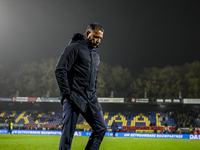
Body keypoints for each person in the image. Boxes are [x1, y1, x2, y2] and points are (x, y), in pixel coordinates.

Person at [55, 23, 107, 150]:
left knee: (101, 129)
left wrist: (93, 91)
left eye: (100, 38)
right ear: (88, 33)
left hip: (90, 98)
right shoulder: (73, 48)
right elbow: (60, 70)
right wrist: (67, 94)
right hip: (73, 97)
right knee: (67, 136)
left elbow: (94, 78)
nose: (98, 40)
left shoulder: (95, 55)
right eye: (96, 37)